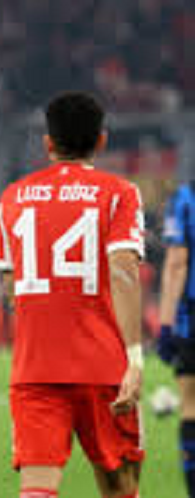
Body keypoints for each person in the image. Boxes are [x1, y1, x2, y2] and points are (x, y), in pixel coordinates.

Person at [0, 92, 145, 498]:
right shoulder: (119, 193)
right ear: (101, 140)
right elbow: (124, 270)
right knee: (121, 485)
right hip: (104, 366)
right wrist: (134, 357)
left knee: (37, 489)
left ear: (48, 143)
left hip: (36, 368)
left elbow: (10, 286)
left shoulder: (12, 197)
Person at [158, 178, 195, 496]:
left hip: (192, 316)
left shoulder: (185, 198)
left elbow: (176, 263)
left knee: (191, 405)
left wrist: (166, 324)